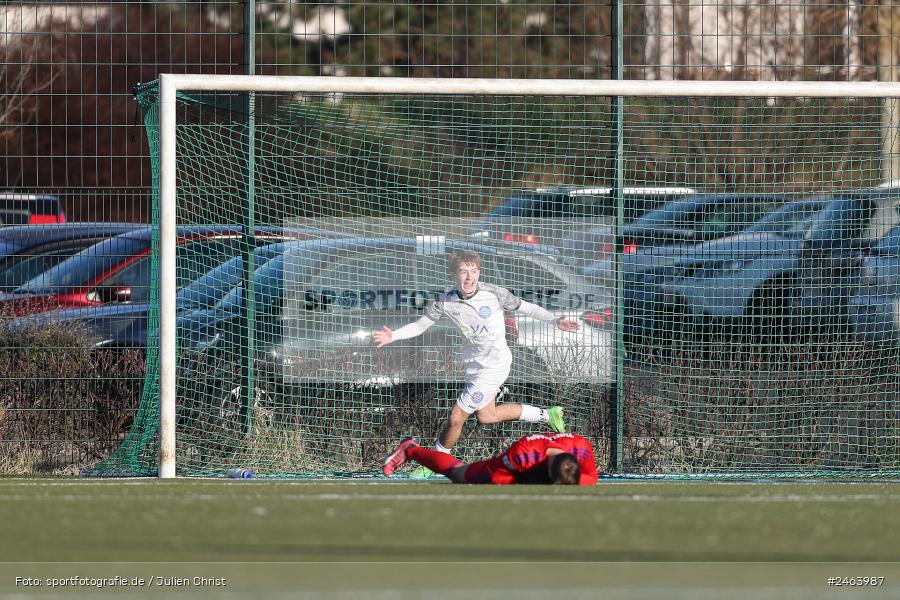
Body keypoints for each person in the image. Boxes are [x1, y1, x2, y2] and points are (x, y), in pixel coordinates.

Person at [372, 249, 581, 475]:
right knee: (487, 416)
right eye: (463, 272)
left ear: (479, 273)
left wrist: (554, 320)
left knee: (456, 415)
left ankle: (436, 462)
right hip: (474, 366)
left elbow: (526, 307)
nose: (470, 277)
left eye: (474, 271)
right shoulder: (445, 300)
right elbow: (420, 326)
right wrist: (393, 335)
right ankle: (547, 415)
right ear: (453, 274)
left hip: (495, 366)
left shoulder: (494, 293)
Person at [382, 432, 599, 485]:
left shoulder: (582, 448)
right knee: (459, 474)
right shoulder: (523, 454)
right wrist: (529, 480)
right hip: (505, 468)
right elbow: (498, 480)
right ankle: (411, 449)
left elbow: (591, 477)